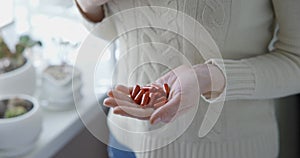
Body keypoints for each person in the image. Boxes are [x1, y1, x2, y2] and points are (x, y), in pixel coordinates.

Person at [76, 0, 300, 158]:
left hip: (229, 149)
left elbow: (295, 60)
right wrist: (88, 6)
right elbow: (114, 30)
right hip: (126, 142)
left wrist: (210, 77)